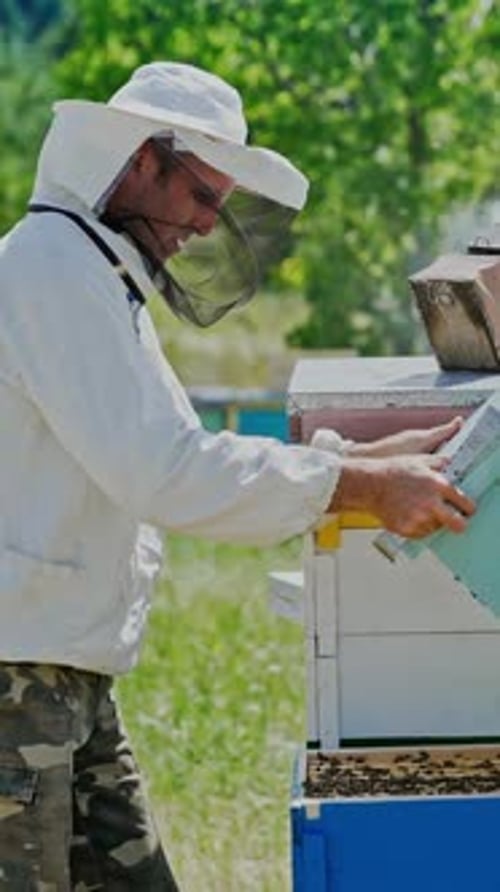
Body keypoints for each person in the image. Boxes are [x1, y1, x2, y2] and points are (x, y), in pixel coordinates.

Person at [0, 61, 474, 890]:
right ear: (142, 158)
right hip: (15, 680)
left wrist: (350, 459)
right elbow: (168, 472)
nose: (205, 225)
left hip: (61, 670)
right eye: (200, 196)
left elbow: (170, 444)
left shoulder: (94, 277)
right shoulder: (51, 272)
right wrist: (358, 489)